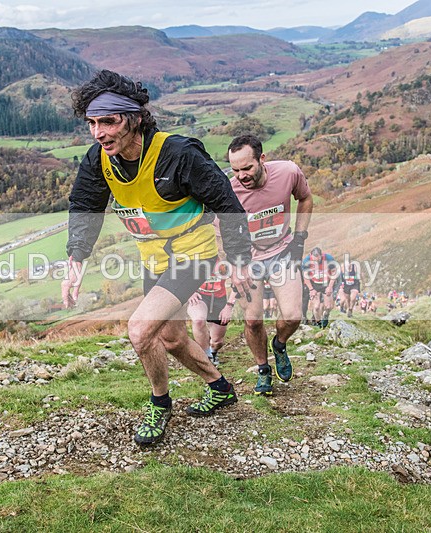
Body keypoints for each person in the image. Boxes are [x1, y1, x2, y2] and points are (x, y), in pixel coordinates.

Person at [61, 70, 254, 445]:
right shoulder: (99, 159)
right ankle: (220, 388)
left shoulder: (177, 154)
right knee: (171, 337)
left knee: (140, 330)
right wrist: (76, 260)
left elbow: (227, 203)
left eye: (108, 121)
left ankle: (160, 403)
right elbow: (84, 205)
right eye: (92, 123)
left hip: (193, 255)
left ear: (133, 118)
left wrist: (238, 260)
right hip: (155, 260)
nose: (98, 132)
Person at [227, 134, 313, 396]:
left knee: (292, 316)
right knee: (253, 320)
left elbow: (305, 198)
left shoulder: (287, 172)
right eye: (236, 170)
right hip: (248, 258)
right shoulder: (229, 191)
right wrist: (235, 267)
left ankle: (280, 343)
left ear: (262, 159)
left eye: (247, 168)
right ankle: (263, 369)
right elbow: (223, 234)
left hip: (282, 252)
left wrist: (299, 239)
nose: (241, 176)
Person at [186, 261, 237, 367]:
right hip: (199, 296)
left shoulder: (227, 260)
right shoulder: (196, 256)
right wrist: (189, 292)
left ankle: (213, 352)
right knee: (198, 320)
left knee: (217, 342)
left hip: (219, 300)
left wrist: (229, 306)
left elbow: (237, 283)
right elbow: (180, 273)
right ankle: (206, 358)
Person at [302, 247, 339, 328]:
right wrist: (311, 289)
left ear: (321, 255)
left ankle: (326, 314)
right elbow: (306, 277)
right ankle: (319, 324)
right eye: (314, 260)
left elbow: (334, 272)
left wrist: (330, 286)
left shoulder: (328, 258)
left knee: (328, 306)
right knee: (316, 307)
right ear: (311, 255)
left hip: (326, 283)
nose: (316, 262)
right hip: (314, 284)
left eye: (318, 260)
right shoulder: (306, 261)